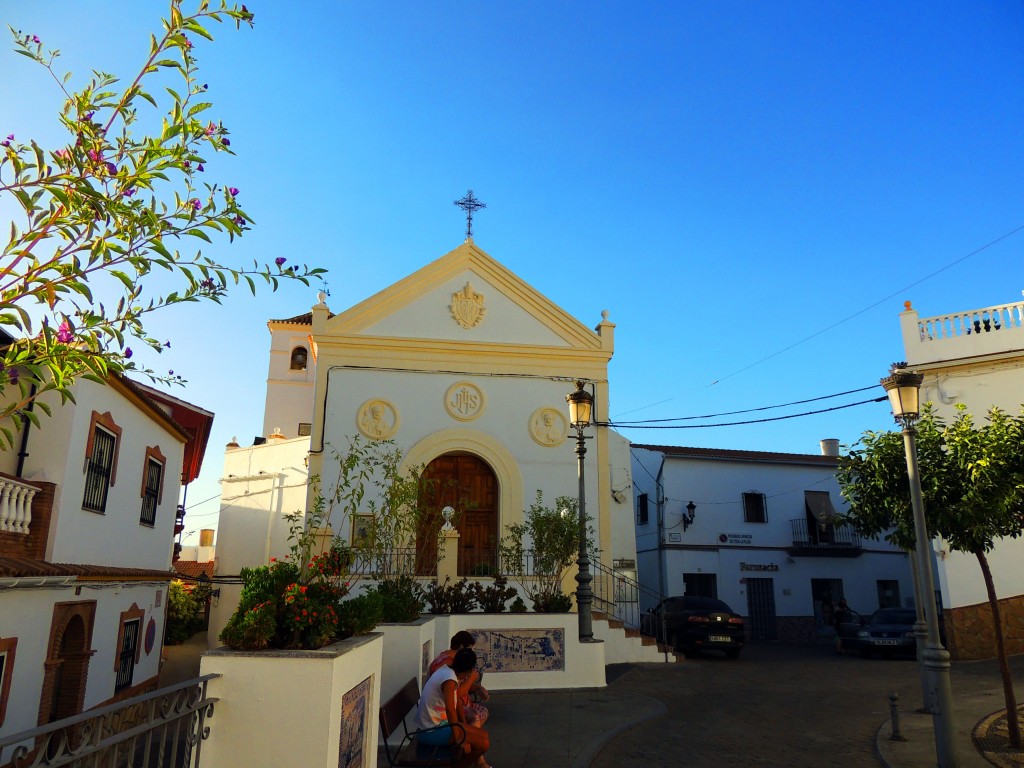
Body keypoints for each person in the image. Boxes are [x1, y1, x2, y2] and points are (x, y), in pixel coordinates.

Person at [414, 648, 491, 768]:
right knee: (483, 743)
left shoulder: (448, 671)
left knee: (484, 737)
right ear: (470, 670)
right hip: (430, 731)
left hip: (438, 725)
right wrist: (459, 739)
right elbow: (450, 709)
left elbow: (457, 704)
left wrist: (464, 725)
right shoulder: (449, 680)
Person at [429, 631, 489, 726]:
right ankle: (468, 736)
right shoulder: (449, 663)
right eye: (469, 649)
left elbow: (458, 687)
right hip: (440, 709)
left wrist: (477, 688)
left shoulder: (446, 658)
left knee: (481, 713)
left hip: (446, 704)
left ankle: (468, 736)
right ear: (461, 647)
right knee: (477, 716)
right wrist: (471, 678)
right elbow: (458, 694)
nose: (470, 653)